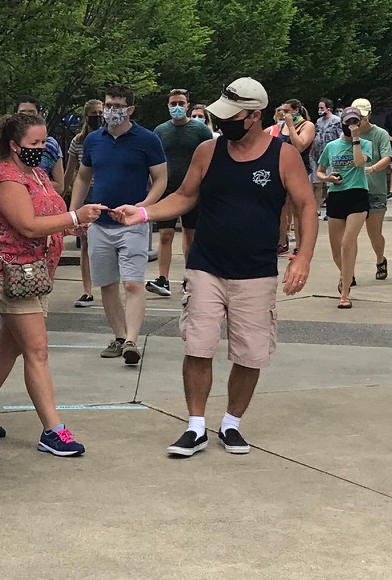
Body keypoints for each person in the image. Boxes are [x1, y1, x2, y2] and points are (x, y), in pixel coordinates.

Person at [109, 77, 315, 458]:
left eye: (233, 116)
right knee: (198, 347)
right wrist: (141, 213)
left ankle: (231, 423)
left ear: (255, 116)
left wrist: (302, 257)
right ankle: (196, 426)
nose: (224, 124)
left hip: (256, 270)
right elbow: (184, 196)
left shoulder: (282, 155)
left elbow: (305, 204)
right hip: (206, 265)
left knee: (249, 353)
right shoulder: (208, 151)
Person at [0, 112, 105, 457]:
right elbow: (26, 225)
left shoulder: (35, 174)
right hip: (15, 274)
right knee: (37, 351)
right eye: (34, 144)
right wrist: (72, 218)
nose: (42, 148)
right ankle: (53, 430)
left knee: (10, 349)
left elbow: (46, 219)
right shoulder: (7, 178)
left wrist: (70, 227)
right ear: (13, 145)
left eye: (44, 141)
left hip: (33, 276)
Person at [70, 85, 167, 365]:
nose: (111, 110)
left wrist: (143, 207)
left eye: (117, 106)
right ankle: (119, 336)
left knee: (132, 282)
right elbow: (82, 178)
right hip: (100, 223)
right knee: (107, 284)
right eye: (108, 105)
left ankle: (132, 341)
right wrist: (74, 213)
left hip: (132, 222)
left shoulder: (147, 140)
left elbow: (160, 178)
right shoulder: (93, 141)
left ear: (130, 110)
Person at [148, 87, 214, 298]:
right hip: (167, 190)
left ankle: (190, 277)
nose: (177, 107)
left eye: (180, 103)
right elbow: (154, 161)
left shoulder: (199, 130)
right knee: (165, 234)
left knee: (191, 233)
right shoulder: (160, 131)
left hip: (193, 190)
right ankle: (163, 279)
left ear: (187, 105)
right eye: (173, 104)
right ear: (167, 106)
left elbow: (210, 157)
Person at [319, 110, 374, 309]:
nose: (351, 126)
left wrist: (356, 140)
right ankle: (345, 274)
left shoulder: (366, 144)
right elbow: (320, 170)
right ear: (341, 123)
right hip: (336, 195)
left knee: (347, 243)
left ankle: (345, 294)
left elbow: (360, 163)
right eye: (348, 122)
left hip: (357, 194)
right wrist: (328, 178)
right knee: (336, 250)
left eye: (355, 122)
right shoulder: (331, 146)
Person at [347, 98, 392, 281]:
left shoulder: (380, 134)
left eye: (363, 117)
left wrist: (372, 168)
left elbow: (387, 157)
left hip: (374, 188)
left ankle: (380, 259)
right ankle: (348, 271)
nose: (360, 121)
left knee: (374, 233)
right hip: (353, 189)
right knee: (350, 234)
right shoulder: (348, 134)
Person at [69, 97, 104, 308]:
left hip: (104, 191)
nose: (98, 119)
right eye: (94, 115)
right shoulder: (78, 142)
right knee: (86, 244)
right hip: (87, 192)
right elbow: (72, 172)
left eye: (101, 114)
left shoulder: (108, 138)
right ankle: (87, 290)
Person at [273, 100, 317, 255]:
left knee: (298, 209)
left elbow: (300, 146)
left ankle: (300, 245)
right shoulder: (282, 126)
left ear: (296, 110)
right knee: (280, 208)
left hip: (300, 170)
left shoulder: (307, 126)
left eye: (287, 111)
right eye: (282, 111)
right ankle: (281, 242)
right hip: (281, 169)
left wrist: (291, 126)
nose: (284, 114)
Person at [14, 95, 64, 189]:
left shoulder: (50, 145)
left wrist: (33, 184)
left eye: (31, 112)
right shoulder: (8, 143)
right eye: (22, 112)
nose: (27, 116)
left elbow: (60, 186)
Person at [313, 99, 339, 221]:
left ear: (329, 108)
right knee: (317, 184)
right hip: (318, 155)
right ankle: (316, 210)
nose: (320, 110)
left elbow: (340, 137)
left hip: (331, 156)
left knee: (330, 183)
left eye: (322, 107)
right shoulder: (318, 121)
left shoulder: (336, 121)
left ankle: (331, 210)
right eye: (319, 107)